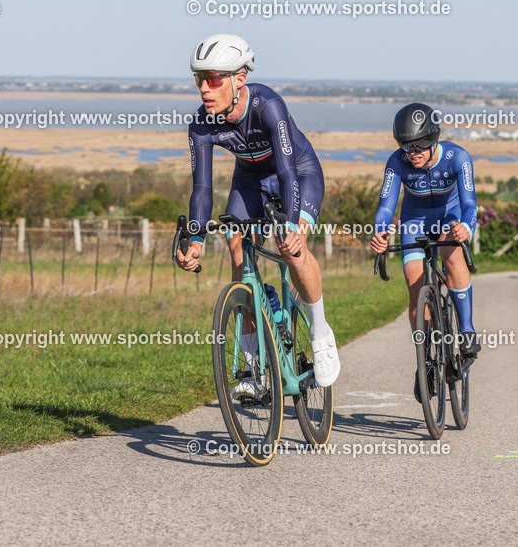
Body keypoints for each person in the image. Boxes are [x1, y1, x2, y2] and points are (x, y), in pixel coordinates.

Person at [174, 34, 340, 397]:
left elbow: (287, 174)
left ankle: (320, 333)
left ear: (239, 79)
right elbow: (202, 189)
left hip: (297, 173)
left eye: (214, 78)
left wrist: (293, 224)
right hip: (249, 179)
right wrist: (196, 238)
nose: (204, 87)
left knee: (290, 247)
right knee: (238, 252)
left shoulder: (268, 105)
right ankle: (254, 372)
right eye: (198, 78)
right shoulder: (201, 124)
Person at [368, 103, 479, 402]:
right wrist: (380, 231)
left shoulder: (458, 157)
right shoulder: (397, 162)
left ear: (434, 140)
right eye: (405, 146)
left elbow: (470, 205)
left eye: (418, 145)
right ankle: (426, 357)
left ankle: (466, 330)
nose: (411, 152)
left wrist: (466, 227)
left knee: (450, 253)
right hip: (415, 219)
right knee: (415, 284)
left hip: (450, 215)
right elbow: (386, 207)